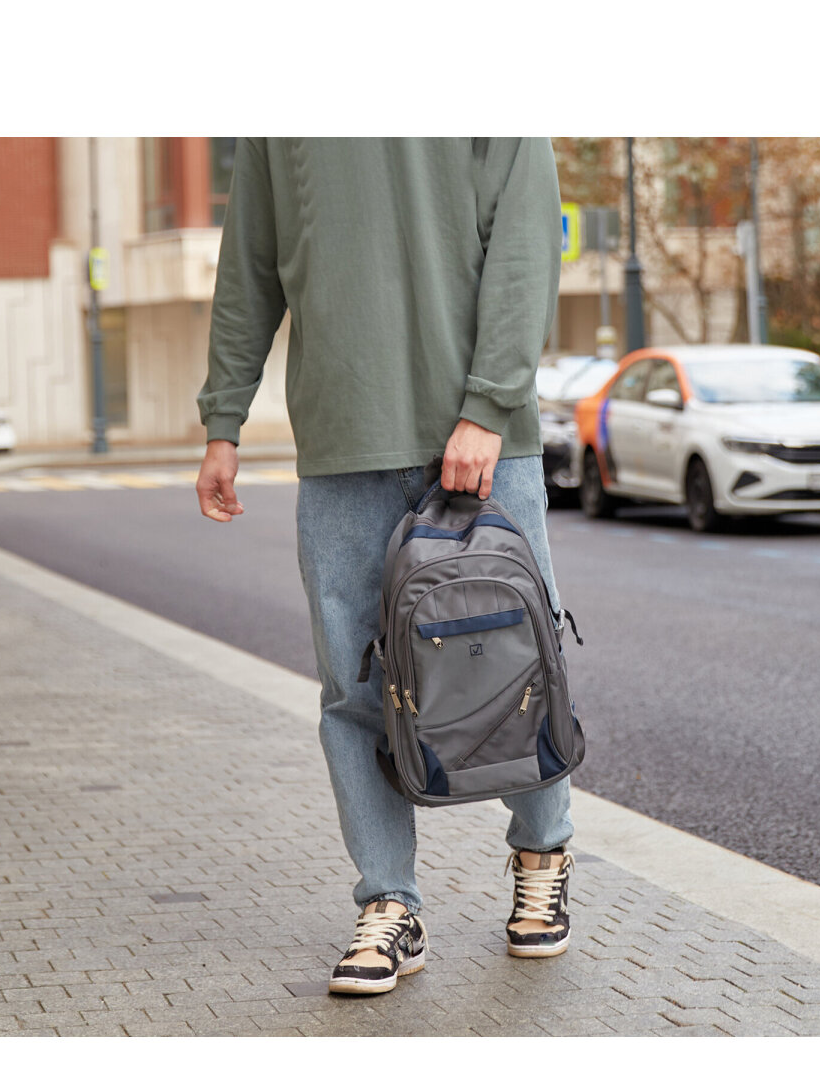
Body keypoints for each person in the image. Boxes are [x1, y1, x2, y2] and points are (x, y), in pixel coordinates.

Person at [196, 138, 575, 995]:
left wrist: (487, 405)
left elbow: (522, 245)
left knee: (518, 659)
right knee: (354, 686)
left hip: (482, 438)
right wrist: (224, 419)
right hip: (341, 442)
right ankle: (389, 904)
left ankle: (542, 853)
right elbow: (249, 267)